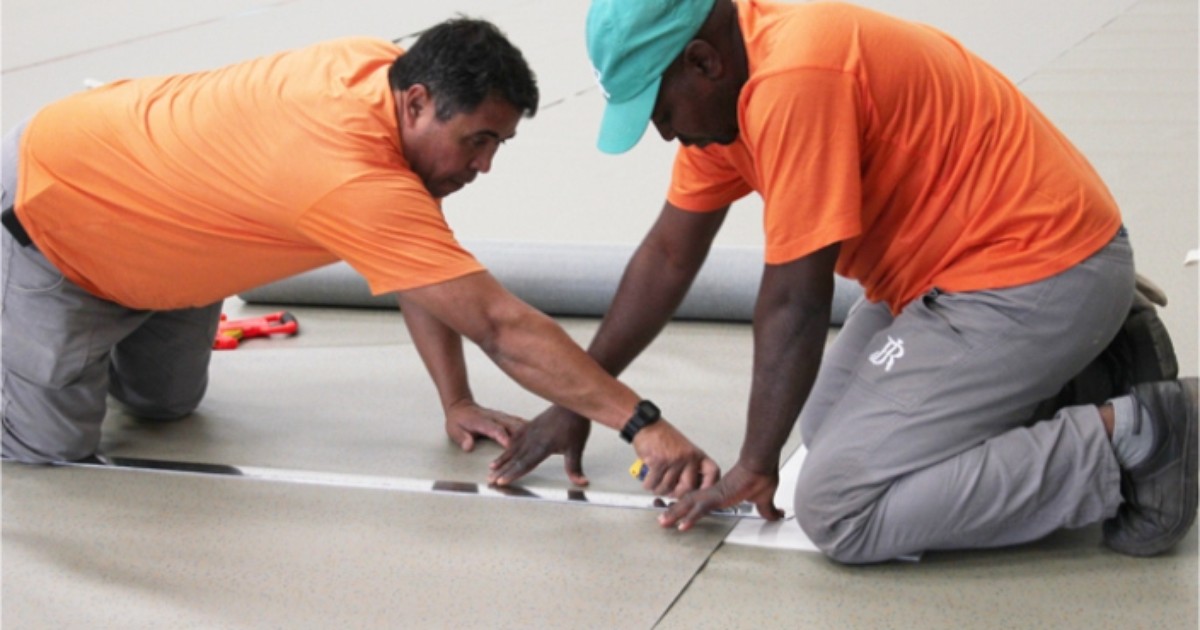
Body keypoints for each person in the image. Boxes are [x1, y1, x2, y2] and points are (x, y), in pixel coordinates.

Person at [490, 0, 1197, 562]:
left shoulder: (794, 78)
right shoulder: (727, 94)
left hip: (1034, 272)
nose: (666, 135)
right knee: (825, 431)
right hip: (959, 278)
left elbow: (795, 299)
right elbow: (668, 258)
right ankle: (1091, 370)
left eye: (661, 112)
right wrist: (580, 399)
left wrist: (755, 464)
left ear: (701, 61)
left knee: (841, 507)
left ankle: (1138, 435)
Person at [0, 17, 719, 497]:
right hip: (58, 223)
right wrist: (643, 425)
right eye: (477, 141)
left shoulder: (378, 72)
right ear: (418, 102)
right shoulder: (344, 171)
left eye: (498, 143)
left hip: (171, 248)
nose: (485, 165)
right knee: (49, 450)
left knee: (165, 405)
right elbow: (500, 326)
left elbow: (418, 266)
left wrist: (456, 401)